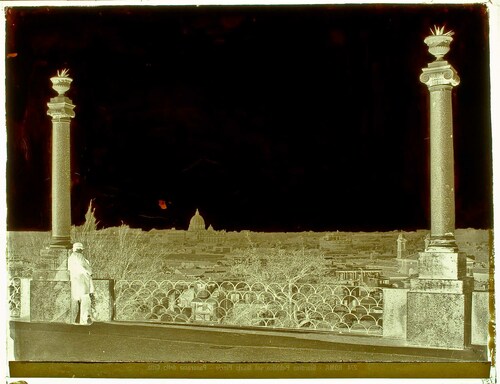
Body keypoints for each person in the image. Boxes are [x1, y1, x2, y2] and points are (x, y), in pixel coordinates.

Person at [68, 242, 95, 325]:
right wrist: (88, 272)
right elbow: (83, 267)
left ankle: (79, 319)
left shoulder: (72, 257)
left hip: (77, 280)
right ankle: (83, 319)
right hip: (82, 280)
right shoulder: (78, 256)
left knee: (80, 300)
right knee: (84, 300)